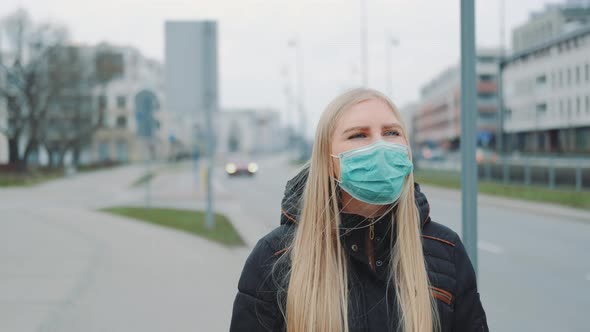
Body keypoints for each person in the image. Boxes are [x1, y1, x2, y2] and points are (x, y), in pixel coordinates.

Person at [230, 88, 488, 332]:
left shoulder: (446, 251)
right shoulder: (275, 257)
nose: (380, 146)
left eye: (391, 133)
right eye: (358, 135)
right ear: (328, 160)